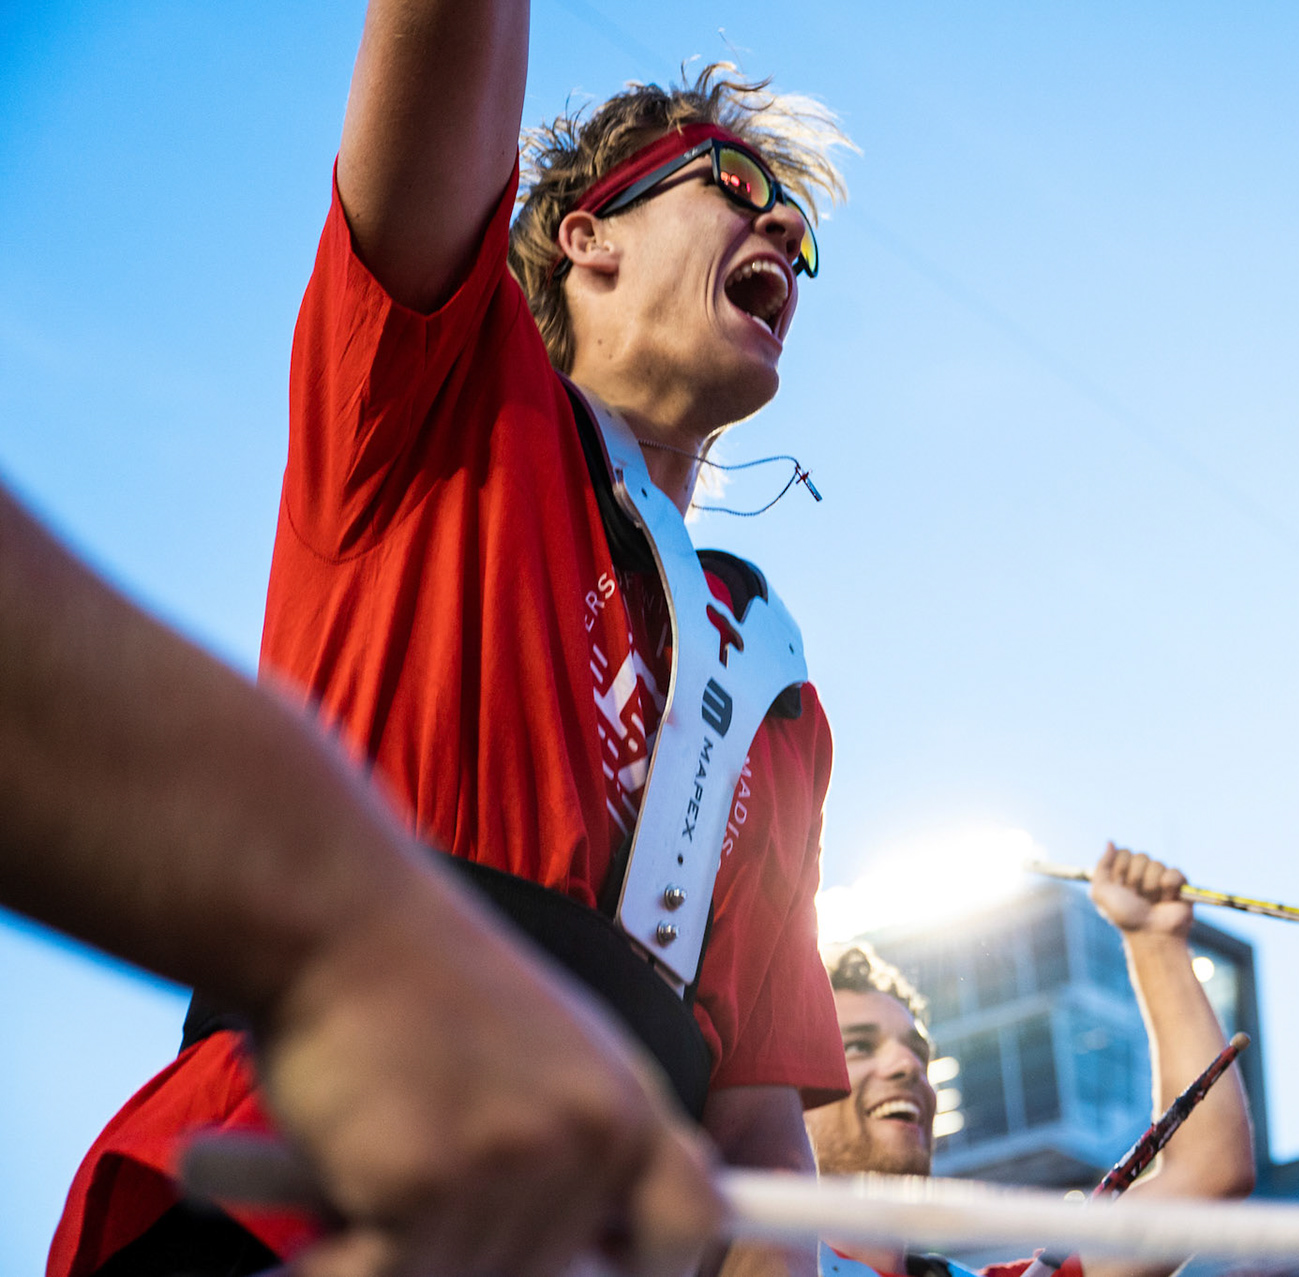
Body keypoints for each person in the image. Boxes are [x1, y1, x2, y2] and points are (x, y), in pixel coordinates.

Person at [53, 0, 853, 1271]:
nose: (786, 229)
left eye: (795, 230)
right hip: (305, 1192)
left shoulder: (776, 699)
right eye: (736, 183)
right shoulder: (432, 377)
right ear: (586, 239)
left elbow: (756, 1137)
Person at [0, 482, 719, 1277]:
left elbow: (761, 1111)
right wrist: (350, 938)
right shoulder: (452, 409)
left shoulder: (769, 693)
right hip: (302, 1152)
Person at [807, 845, 1258, 1277]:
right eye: (858, 1046)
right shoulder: (741, 1259)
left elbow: (1207, 1172)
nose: (906, 1065)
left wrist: (1154, 940)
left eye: (919, 1051)